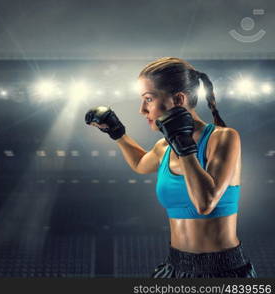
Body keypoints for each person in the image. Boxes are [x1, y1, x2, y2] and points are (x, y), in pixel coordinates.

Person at [85, 57, 256, 278]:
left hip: (223, 270)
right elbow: (139, 164)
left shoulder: (223, 138)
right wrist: (117, 132)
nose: (142, 110)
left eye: (148, 99)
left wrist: (183, 144)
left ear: (178, 99)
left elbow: (205, 203)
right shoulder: (163, 147)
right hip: (176, 266)